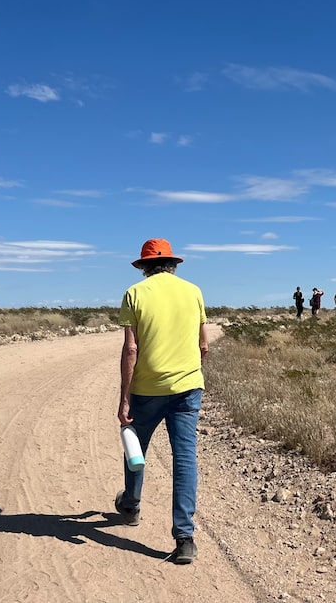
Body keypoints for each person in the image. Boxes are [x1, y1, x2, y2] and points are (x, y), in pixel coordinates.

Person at [115, 238, 209, 565]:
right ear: (172, 264)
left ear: (143, 267)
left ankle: (130, 505)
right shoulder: (194, 291)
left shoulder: (135, 294)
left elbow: (131, 349)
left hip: (147, 389)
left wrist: (124, 398)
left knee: (135, 448)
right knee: (184, 458)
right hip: (187, 388)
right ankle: (184, 538)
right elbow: (203, 346)